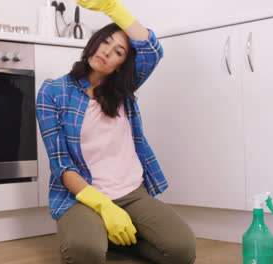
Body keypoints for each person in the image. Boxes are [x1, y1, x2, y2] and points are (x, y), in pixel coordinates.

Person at [36, 0, 196, 263]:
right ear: (94, 42)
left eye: (118, 51)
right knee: (84, 252)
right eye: (105, 41)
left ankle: (116, 241)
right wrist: (103, 206)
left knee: (182, 250)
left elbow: (152, 50)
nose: (107, 51)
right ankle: (100, 235)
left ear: (122, 64)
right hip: (83, 196)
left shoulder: (123, 91)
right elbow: (61, 164)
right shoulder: (53, 92)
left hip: (131, 192)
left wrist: (112, 8)